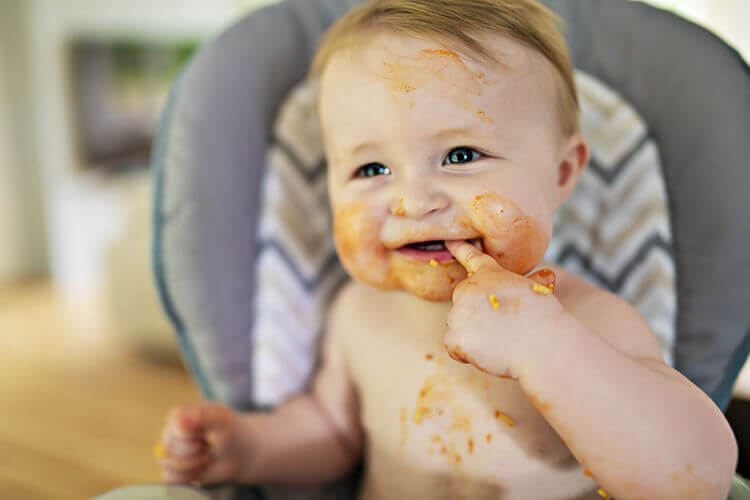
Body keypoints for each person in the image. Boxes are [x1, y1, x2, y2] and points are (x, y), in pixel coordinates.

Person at [155, 1, 738, 498]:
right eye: (371, 167)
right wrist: (246, 449)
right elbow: (333, 433)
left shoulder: (588, 321)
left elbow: (695, 478)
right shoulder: (359, 313)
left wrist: (545, 345)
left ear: (562, 173)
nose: (411, 202)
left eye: (460, 155)